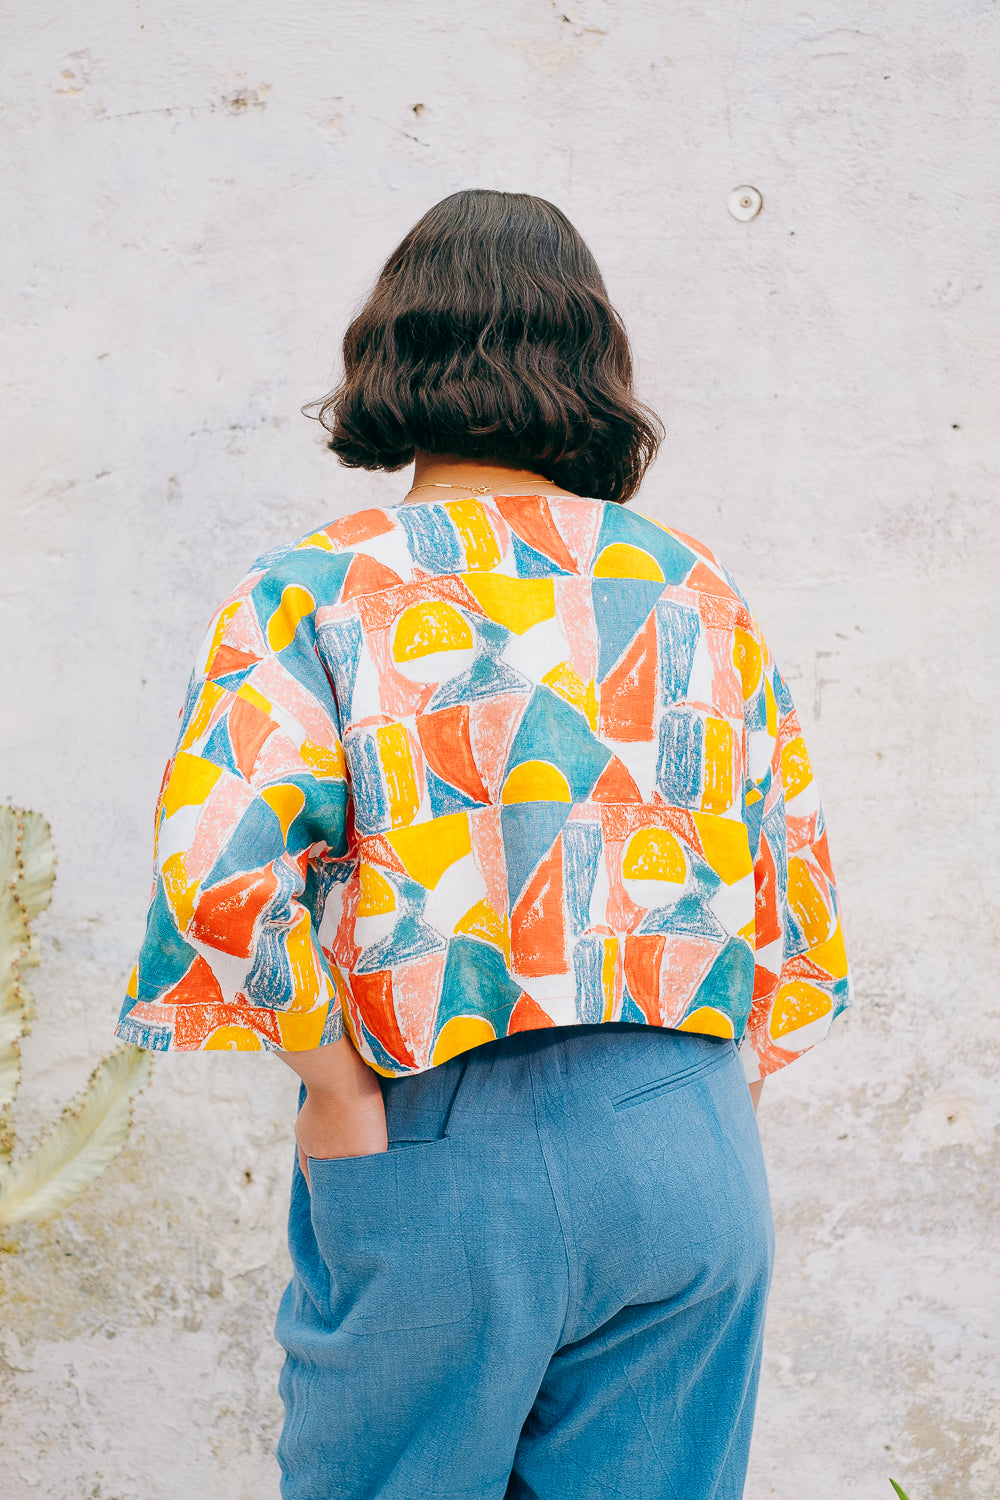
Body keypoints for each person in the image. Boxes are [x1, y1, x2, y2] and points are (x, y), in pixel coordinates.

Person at [116, 189, 851, 1499]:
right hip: (682, 1134)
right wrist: (687, 1111)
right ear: (592, 365)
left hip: (434, 1127)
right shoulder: (694, 589)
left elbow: (225, 877)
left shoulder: (314, 590)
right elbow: (790, 895)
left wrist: (339, 1090)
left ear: (390, 353)